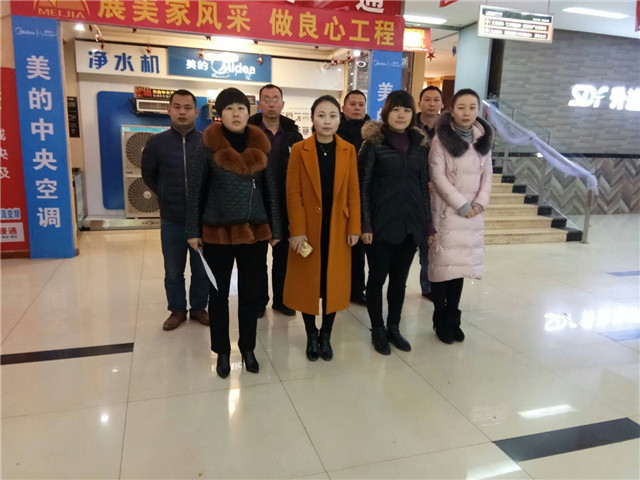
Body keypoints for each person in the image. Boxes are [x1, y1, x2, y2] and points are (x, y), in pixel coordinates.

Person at [186, 88, 282, 378]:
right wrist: (193, 230)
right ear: (220, 114)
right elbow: (196, 190)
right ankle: (222, 352)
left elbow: (271, 190)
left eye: (241, 108)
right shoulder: (207, 146)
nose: (236, 114)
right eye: (229, 109)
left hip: (254, 232)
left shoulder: (261, 144)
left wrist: (276, 228)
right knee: (218, 296)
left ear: (248, 112)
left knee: (251, 295)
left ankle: (248, 348)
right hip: (217, 232)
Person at [284, 95, 361, 362]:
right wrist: (297, 230)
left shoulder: (348, 150)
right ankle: (311, 334)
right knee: (308, 283)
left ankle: (326, 334)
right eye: (321, 115)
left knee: (333, 283)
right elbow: (293, 193)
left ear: (339, 119)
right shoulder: (299, 150)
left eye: (332, 116)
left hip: (338, 228)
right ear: (312, 118)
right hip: (308, 229)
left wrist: (354, 226)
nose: (327, 121)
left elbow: (353, 191)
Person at [359, 90, 432, 355]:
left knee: (399, 281)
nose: (401, 115)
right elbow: (363, 186)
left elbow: (423, 187)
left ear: (413, 114)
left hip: (410, 225)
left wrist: (427, 224)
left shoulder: (419, 145)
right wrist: (365, 223)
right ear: (386, 112)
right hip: (380, 225)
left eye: (406, 110)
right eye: (396, 109)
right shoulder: (373, 144)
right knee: (377, 279)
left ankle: (394, 327)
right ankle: (377, 329)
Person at [428, 88, 493, 344]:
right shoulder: (440, 140)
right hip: (448, 214)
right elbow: (438, 177)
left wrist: (480, 203)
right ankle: (440, 318)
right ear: (452, 110)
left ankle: (454, 318)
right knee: (442, 270)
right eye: (461, 107)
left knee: (459, 270)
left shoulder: (483, 140)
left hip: (473, 215)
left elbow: (488, 176)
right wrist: (462, 205)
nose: (467, 113)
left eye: (472, 107)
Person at [141, 89, 209, 331]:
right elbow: (148, 176)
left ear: (196, 112)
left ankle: (199, 308)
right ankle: (177, 310)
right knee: (173, 271)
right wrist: (166, 195)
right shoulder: (156, 143)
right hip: (171, 219)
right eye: (177, 107)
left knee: (201, 270)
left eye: (187, 107)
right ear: (168, 110)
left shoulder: (206, 142)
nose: (182, 112)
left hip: (201, 221)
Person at [249, 84, 303, 318]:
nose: (271, 103)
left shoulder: (293, 135)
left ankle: (282, 300)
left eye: (275, 99)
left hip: (286, 202)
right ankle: (259, 302)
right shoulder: (249, 134)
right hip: (256, 203)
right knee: (257, 257)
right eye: (266, 99)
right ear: (259, 104)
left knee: (284, 257)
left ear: (282, 104)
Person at [337, 90, 370, 306]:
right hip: (339, 196)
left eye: (361, 104)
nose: (357, 108)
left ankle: (358, 290)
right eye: (353, 104)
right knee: (339, 246)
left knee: (359, 249)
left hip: (365, 196)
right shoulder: (335, 131)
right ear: (344, 108)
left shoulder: (374, 133)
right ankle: (338, 287)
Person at [415, 86, 444, 302]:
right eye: (427, 99)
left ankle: (429, 285)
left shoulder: (448, 129)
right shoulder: (410, 127)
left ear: (442, 104)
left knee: (431, 240)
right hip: (414, 188)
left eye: (436, 100)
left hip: (440, 192)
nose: (432, 104)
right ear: (420, 103)